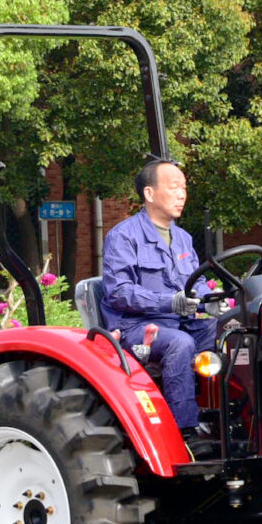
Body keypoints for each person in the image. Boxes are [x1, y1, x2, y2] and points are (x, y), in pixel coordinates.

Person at [99, 157, 219, 458]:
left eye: (184, 187)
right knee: (180, 344)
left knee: (235, 332)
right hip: (136, 328)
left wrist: (211, 299)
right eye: (174, 187)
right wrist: (169, 301)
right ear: (149, 194)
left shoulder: (182, 237)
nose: (182, 194)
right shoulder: (123, 236)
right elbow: (119, 292)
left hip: (181, 321)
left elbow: (197, 280)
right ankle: (185, 433)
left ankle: (225, 419)